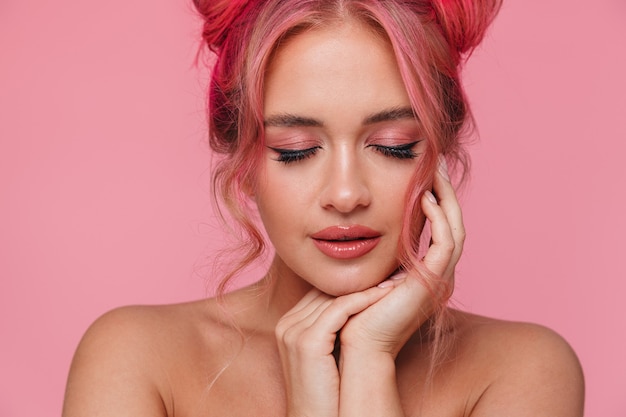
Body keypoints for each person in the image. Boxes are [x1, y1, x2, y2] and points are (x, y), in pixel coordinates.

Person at [62, 0, 585, 415]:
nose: (345, 193)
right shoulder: (136, 359)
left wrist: (370, 361)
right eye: (297, 151)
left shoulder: (524, 370)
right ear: (244, 160)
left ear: (439, 151)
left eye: (393, 145)